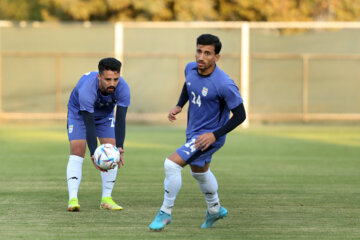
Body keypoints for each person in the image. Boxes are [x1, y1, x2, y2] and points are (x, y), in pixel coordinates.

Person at [149, 34, 246, 230]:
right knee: (200, 172)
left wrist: (214, 135)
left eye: (207, 53)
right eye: (199, 51)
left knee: (171, 165)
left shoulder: (224, 84)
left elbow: (240, 115)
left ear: (216, 57)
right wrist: (179, 105)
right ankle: (214, 209)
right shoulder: (190, 68)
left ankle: (165, 212)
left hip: (208, 137)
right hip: (193, 131)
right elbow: (189, 85)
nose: (201, 57)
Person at [66, 57, 130, 212]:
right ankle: (73, 198)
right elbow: (89, 124)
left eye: (115, 79)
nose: (112, 83)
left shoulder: (123, 88)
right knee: (78, 148)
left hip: (105, 116)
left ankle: (106, 199)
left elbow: (120, 118)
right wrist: (94, 154)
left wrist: (119, 148)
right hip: (80, 114)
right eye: (108, 79)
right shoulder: (87, 89)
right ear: (99, 76)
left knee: (112, 150)